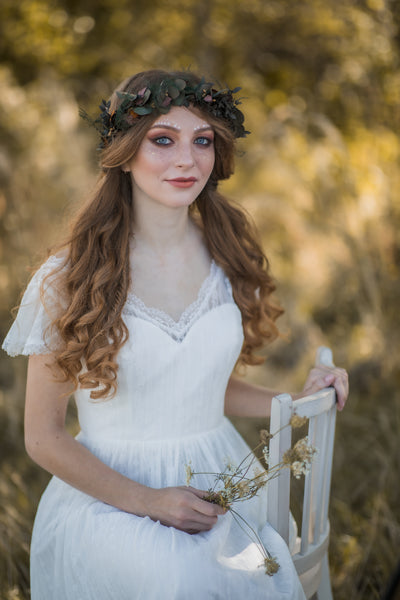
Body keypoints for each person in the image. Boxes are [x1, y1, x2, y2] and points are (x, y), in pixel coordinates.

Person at [2, 69, 348, 600]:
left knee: (247, 571)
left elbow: (202, 386)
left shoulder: (225, 252)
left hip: (223, 482)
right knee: (178, 580)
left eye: (202, 140)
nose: (187, 160)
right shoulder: (68, 277)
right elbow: (42, 437)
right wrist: (148, 501)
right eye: (163, 140)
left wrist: (297, 398)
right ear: (125, 151)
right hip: (111, 496)